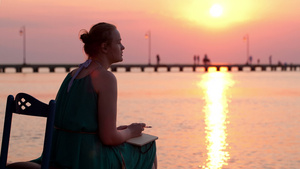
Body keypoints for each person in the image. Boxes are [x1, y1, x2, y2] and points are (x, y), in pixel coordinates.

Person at [7, 22, 157, 169]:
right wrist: (131, 131)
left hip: (60, 154)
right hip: (87, 160)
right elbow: (109, 138)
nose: (123, 47)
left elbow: (79, 125)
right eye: (118, 42)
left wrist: (119, 130)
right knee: (148, 146)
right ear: (104, 47)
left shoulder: (72, 75)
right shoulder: (106, 78)